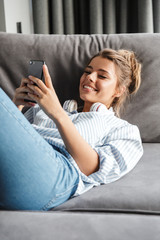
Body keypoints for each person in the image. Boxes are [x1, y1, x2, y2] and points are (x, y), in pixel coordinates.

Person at [0, 48, 143, 211]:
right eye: (87, 72)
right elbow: (13, 138)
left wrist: (58, 114)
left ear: (119, 90)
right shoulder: (43, 108)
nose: (89, 77)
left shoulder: (123, 129)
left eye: (102, 76)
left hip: (54, 175)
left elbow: (92, 168)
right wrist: (15, 106)